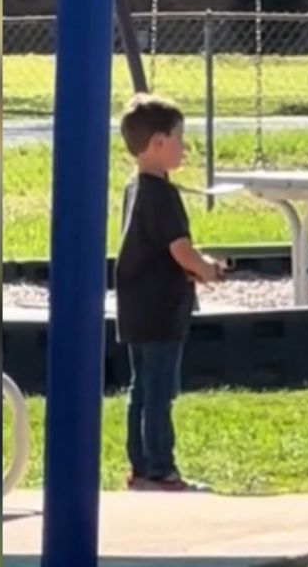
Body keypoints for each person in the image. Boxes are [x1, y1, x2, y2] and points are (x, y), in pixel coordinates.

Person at [115, 94, 224, 491]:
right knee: (160, 390)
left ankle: (141, 466)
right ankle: (161, 467)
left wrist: (190, 266)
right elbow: (180, 249)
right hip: (161, 309)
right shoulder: (163, 194)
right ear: (158, 143)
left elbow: (153, 246)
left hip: (136, 305)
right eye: (179, 137)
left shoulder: (134, 188)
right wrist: (207, 269)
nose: (184, 146)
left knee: (140, 387)